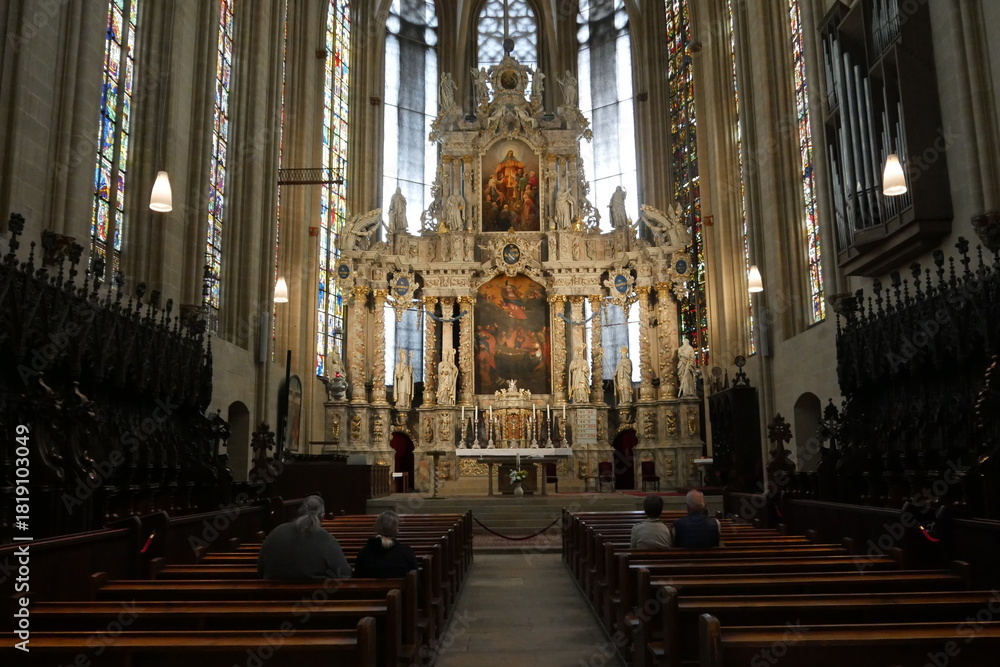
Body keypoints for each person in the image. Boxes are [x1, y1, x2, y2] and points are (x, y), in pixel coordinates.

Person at [257, 495, 352, 580]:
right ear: (322, 516)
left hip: (273, 597)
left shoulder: (276, 532)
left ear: (300, 512)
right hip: (314, 598)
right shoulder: (325, 537)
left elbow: (261, 570)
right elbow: (344, 573)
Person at [354, 510, 419, 578]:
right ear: (397, 530)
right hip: (398, 588)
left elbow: (357, 578)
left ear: (376, 528)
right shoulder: (406, 552)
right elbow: (416, 580)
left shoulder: (364, 552)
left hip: (370, 588)